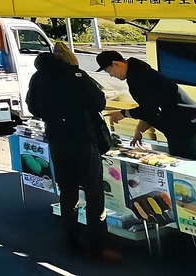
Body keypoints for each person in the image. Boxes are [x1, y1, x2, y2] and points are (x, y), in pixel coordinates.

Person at [29, 49, 120, 262]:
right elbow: (99, 103)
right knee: (93, 194)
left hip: (58, 141)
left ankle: (71, 241)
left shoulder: (38, 78)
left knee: (68, 192)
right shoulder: (76, 75)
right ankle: (97, 246)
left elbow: (33, 108)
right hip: (83, 139)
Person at [97, 50, 196, 164]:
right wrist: (139, 131)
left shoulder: (141, 76)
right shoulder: (136, 75)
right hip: (177, 133)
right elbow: (151, 108)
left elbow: (148, 109)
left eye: (109, 71)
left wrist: (124, 113)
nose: (111, 75)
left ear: (116, 63)